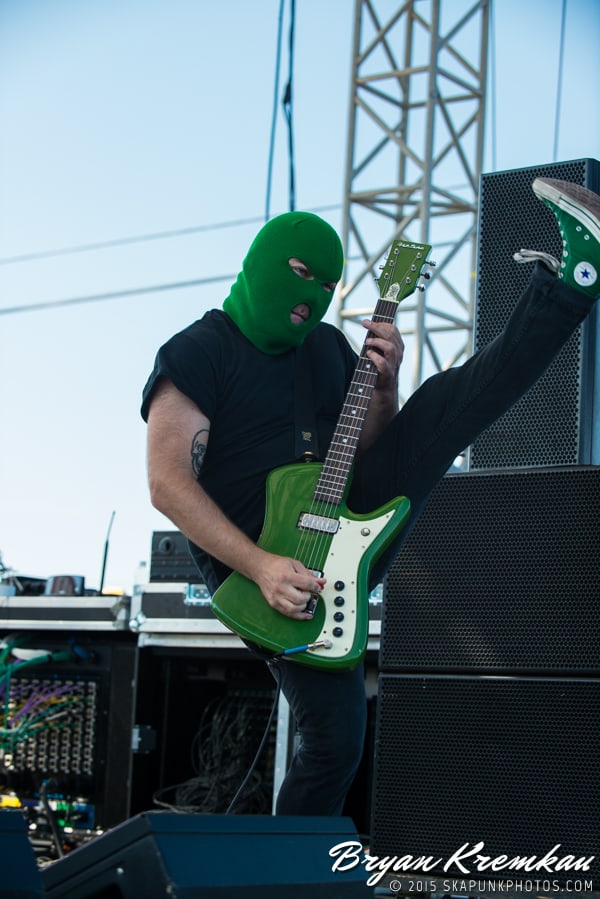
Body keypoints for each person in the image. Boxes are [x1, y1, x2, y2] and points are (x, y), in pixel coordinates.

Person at [141, 178, 600, 818]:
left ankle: (571, 283)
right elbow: (168, 484)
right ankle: (284, 880)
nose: (313, 298)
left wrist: (383, 387)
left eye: (329, 286)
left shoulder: (326, 347)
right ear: (263, 262)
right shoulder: (199, 350)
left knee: (442, 402)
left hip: (348, 527)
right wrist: (263, 566)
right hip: (268, 571)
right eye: (301, 273)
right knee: (335, 743)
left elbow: (367, 452)